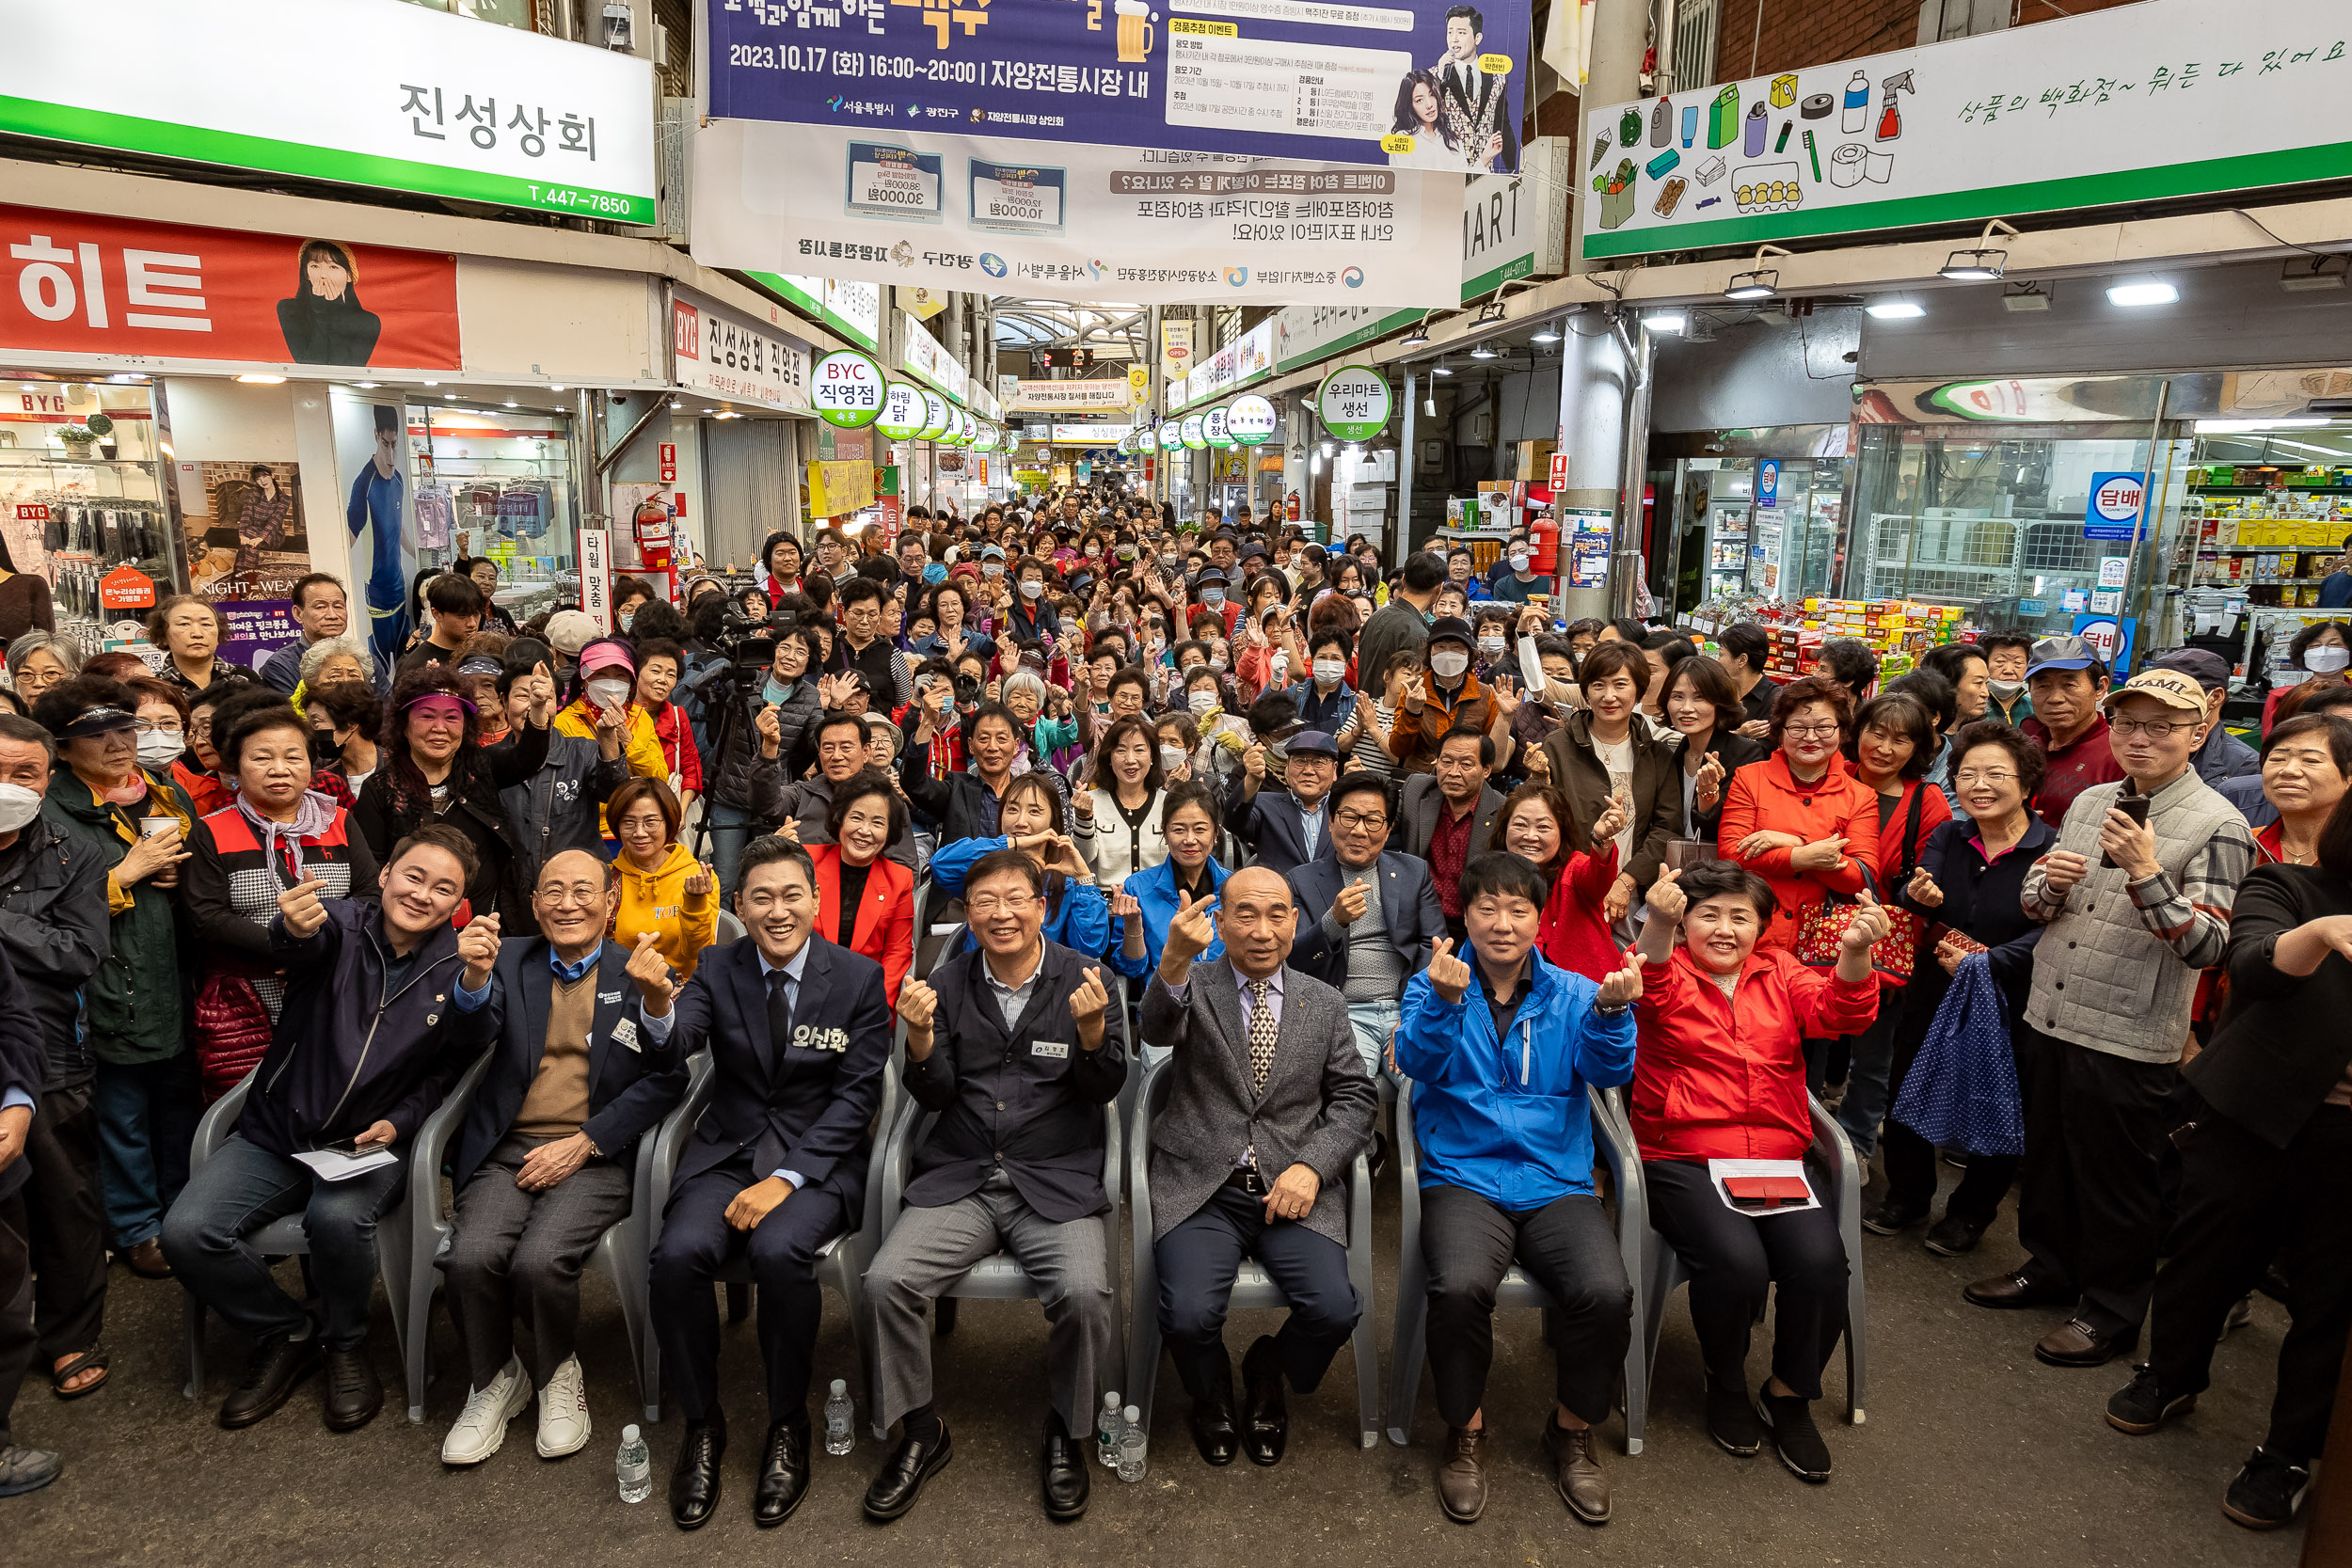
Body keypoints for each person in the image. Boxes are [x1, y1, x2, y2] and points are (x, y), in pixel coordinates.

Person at [1967, 668, 2256, 1370]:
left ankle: (2113, 1310)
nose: (2140, 738)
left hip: (2130, 1030)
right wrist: (2046, 884)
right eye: (2128, 723)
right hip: (2054, 1008)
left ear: (2199, 731)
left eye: (2162, 726)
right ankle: (2049, 1267)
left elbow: (2209, 944)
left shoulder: (2221, 823)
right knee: (2050, 1158)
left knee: (2118, 1179)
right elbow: (2038, 902)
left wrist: (2148, 872)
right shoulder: (2094, 798)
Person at [161, 825, 486, 1431]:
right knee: (186, 1232)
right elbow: (298, 946)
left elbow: (455, 1067)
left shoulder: (458, 963)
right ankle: (288, 1332)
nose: (423, 895)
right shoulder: (336, 925)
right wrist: (291, 925)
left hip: (367, 1146)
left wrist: (402, 1120)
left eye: (444, 889)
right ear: (385, 875)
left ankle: (345, 1342)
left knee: (336, 1220)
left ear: (458, 904)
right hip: (277, 1131)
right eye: (413, 876)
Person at [2105, 769, 2352, 1531]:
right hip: (2249, 1113)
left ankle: (2287, 1453)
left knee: (2330, 1303)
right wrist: (2318, 934)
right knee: (2203, 1255)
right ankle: (2172, 1373)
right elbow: (2247, 968)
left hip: (2347, 1144)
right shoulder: (2289, 885)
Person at [861, 849, 1124, 1524]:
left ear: (1043, 907)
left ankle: (1067, 1430)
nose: (1000, 913)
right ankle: (921, 1431)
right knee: (886, 1281)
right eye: (984, 901)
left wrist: (1093, 1033)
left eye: (1016, 899)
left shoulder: (1088, 977)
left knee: (1086, 1291)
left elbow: (1105, 1088)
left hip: (1054, 1175)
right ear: (966, 913)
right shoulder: (944, 983)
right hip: (964, 1174)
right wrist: (918, 1039)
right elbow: (935, 1092)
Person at [644, 837, 891, 1531]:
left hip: (818, 1157)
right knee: (675, 1256)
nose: (777, 911)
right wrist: (658, 1003)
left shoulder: (857, 978)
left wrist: (787, 1177)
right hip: (727, 1149)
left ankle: (788, 1422)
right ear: (739, 905)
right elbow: (678, 1041)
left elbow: (855, 1098)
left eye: (791, 895)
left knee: (781, 1253)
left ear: (815, 900)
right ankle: (703, 1423)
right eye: (761, 897)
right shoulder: (717, 966)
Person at [1395, 852, 1641, 1524]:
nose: (1502, 924)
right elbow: (1413, 1063)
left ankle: (1570, 1428)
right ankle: (1465, 1429)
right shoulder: (1434, 983)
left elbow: (1605, 1070)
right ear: (1464, 915)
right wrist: (1445, 1003)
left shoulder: (1574, 990)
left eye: (1519, 909)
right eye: (1486, 909)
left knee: (1606, 1291)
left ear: (1541, 917)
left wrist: (1615, 1015)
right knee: (1458, 1287)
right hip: (1463, 1175)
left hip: (1554, 1178)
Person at [1631, 860, 1884, 1481]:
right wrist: (1659, 921)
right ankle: (1725, 1381)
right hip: (1683, 1152)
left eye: (1740, 916)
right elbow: (1649, 979)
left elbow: (1840, 1014)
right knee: (1737, 1262)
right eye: (1708, 914)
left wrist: (1853, 954)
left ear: (1762, 927)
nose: (1724, 928)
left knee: (1823, 1265)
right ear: (1685, 920)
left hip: (1774, 1157)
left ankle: (1788, 1391)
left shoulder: (1782, 972)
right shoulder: (1671, 968)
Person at [437, 850, 688, 1466]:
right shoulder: (507, 958)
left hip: (595, 1154)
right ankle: (495, 1377)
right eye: (553, 890)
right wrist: (471, 980)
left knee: (541, 1260)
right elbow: (465, 1040)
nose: (567, 902)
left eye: (584, 890)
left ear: (611, 902)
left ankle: (555, 1373)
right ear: (535, 900)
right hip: (509, 1151)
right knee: (468, 1256)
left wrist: (587, 1140)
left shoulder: (639, 968)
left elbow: (668, 1076)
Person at [1139, 868, 1376, 1469]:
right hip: (1203, 1181)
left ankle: (1266, 1366)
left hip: (1292, 1186)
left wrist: (1313, 1167)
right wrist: (1171, 961)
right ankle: (1209, 1383)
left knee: (1334, 1308)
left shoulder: (1323, 1002)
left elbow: (1355, 1099)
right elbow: (1155, 1029)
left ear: (1296, 921)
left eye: (1277, 915)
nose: (1263, 931)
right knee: (1189, 1317)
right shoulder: (1196, 984)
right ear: (1221, 924)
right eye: (1246, 914)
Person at [1863, 721, 2051, 1254]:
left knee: (1998, 1096)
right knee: (1908, 1081)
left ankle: (1971, 1213)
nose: (1978, 785)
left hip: (2008, 992)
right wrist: (1917, 892)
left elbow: (2056, 927)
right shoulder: (1951, 834)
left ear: (2027, 781)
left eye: (1995, 773)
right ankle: (1907, 1194)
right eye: (1967, 773)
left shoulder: (2050, 847)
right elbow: (1914, 890)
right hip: (1934, 982)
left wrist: (1992, 961)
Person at [33, 679, 198, 1283]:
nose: (118, 745)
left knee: (179, 1104)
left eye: (124, 730)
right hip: (103, 980)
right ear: (63, 747)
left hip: (171, 972)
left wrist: (179, 880)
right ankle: (136, 1227)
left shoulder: (162, 792)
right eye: (95, 736)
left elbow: (192, 876)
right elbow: (38, 911)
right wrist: (122, 875)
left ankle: (183, 1215)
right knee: (121, 1112)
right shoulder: (51, 809)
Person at [181, 700, 382, 1096]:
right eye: (262, 757)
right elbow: (206, 916)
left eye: (293, 756)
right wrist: (284, 944)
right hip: (246, 997)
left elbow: (370, 895)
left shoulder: (339, 821)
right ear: (236, 768)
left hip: (332, 984)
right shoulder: (211, 831)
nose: (279, 768)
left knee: (329, 1095)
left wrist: (320, 947)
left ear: (311, 765)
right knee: (247, 1103)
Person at [0, 715, 110, 1405]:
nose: (7, 786)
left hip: (48, 1046)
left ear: (47, 778)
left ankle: (70, 1334)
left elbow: (80, 952)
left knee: (63, 1195)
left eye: (23, 774)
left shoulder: (75, 851)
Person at [1830, 693, 1952, 1155]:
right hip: (1817, 929)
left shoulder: (1928, 801)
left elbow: (1926, 879)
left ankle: (1858, 1145)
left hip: (1885, 938)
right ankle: (1802, 1135)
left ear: (1920, 747)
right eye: (1875, 733)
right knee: (1811, 1042)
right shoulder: (1833, 777)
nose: (1883, 747)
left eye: (1900, 740)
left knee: (1873, 1053)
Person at [354, 664, 551, 933]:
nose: (440, 728)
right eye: (426, 716)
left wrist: (538, 711)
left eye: (452, 718)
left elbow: (526, 759)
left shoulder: (481, 767)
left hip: (489, 926)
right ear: (404, 724)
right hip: (415, 928)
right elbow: (372, 870)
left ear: (466, 726)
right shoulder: (380, 788)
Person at [1286, 772, 1448, 1075]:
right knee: (1351, 1089)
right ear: (1331, 821)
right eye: (1349, 817)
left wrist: (1412, 1014)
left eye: (1373, 821)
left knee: (1426, 1087)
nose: (1360, 831)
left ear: (1387, 831)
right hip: (1343, 1010)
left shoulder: (1414, 871)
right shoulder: (1301, 880)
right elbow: (1294, 958)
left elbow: (1432, 945)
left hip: (1405, 1007)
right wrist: (1334, 921)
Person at [1716, 676, 1880, 955]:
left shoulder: (1861, 797)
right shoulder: (1749, 779)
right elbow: (1733, 854)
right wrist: (1806, 857)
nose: (1811, 737)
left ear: (1841, 731)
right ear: (1780, 732)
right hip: (1752, 935)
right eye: (1798, 728)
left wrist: (1795, 844)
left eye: (1824, 727)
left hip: (1823, 942)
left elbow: (1861, 877)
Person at [1536, 641, 1686, 930]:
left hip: (1633, 890)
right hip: (1568, 886)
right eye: (1597, 685)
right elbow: (1543, 816)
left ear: (1638, 690)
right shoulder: (1558, 746)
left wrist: (1626, 881)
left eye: (1620, 685)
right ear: (1585, 690)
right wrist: (1537, 778)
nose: (1609, 696)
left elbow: (1667, 827)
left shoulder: (1657, 755)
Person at [927, 772, 1128, 974]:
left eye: (1034, 811)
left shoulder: (1066, 882)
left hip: (1050, 991)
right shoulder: (981, 867)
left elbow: (1090, 947)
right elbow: (941, 865)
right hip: (980, 984)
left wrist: (1084, 879)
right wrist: (1013, 844)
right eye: (1012, 810)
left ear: (1053, 820)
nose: (1020, 821)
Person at [795, 768, 915, 1008]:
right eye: (857, 818)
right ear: (839, 818)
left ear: (889, 830)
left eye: (877, 823)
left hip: (863, 995)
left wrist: (871, 1003)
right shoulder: (804, 861)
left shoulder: (899, 879)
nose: (865, 831)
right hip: (799, 990)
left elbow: (897, 952)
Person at [1396, 726, 1507, 940]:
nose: (1453, 772)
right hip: (1416, 920)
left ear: (1486, 770)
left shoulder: (1503, 811)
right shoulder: (1417, 790)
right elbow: (1382, 821)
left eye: (1466, 764)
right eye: (1446, 762)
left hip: (1471, 929)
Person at [608, 778, 720, 984]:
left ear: (670, 822)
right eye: (628, 823)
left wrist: (695, 903)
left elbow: (699, 954)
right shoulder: (607, 880)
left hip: (683, 987)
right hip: (623, 987)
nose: (640, 833)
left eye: (650, 822)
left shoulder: (697, 877)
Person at [2019, 635, 2123, 832]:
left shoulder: (2118, 754)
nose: (2055, 698)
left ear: (2100, 688)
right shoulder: (2025, 749)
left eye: (2069, 685)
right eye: (2042, 686)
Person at [1661, 656, 1766, 844]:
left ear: (1720, 701)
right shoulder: (1672, 753)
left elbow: (1733, 830)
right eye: (1677, 697)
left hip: (1717, 867)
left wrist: (1708, 796)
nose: (1686, 708)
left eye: (1699, 697)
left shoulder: (1746, 753)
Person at [1229, 728, 1339, 880]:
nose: (1308, 770)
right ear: (1287, 768)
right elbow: (1233, 821)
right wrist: (1252, 780)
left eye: (1318, 763)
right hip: (1279, 898)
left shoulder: (1346, 810)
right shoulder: (1264, 804)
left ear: (1334, 770)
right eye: (1300, 761)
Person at [1073, 716, 1169, 885]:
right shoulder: (1090, 802)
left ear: (1152, 756)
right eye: (1121, 750)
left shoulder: (1168, 803)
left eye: (1139, 750)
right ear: (1109, 757)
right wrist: (1083, 818)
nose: (1130, 760)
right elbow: (1082, 860)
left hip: (1158, 902)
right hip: (1104, 903)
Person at [275, 238, 382, 364]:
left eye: (333, 267)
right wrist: (320, 310)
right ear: (307, 273)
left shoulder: (368, 322)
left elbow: (345, 369)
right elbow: (310, 363)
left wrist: (335, 310)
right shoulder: (289, 309)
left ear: (348, 276)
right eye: (315, 266)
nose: (323, 275)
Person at [1357, 549, 1443, 698]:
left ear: (1403, 580)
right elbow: (1413, 693)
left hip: (1366, 708)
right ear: (1439, 588)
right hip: (1392, 717)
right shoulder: (1418, 634)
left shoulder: (1376, 616)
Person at [262, 576, 359, 694]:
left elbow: (383, 706)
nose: (332, 615)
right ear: (298, 613)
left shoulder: (364, 658)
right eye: (320, 607)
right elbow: (291, 711)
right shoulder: (281, 665)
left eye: (338, 606)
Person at [2263, 621, 2352, 734]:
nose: (2323, 652)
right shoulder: (2283, 697)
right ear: (2304, 654)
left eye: (2334, 644)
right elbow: (2270, 741)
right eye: (2315, 646)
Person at [149, 595, 245, 694]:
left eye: (206, 624)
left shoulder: (244, 678)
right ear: (163, 636)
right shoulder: (155, 689)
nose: (197, 634)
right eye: (184, 624)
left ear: (219, 633)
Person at [395, 576, 487, 677]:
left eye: (477, 614)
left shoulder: (484, 656)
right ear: (437, 614)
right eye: (462, 616)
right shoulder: (415, 667)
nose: (472, 623)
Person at [1385, 69, 1462, 169]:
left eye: (1432, 95)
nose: (1429, 105)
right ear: (1410, 105)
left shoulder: (1452, 140)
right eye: (1419, 100)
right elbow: (1402, 181)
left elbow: (1464, 180)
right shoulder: (1402, 139)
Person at [1718, 623, 1779, 735]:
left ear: (1742, 660)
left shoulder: (1776, 699)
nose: (1718, 661)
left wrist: (1734, 736)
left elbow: (1763, 747)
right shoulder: (1719, 692)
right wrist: (1738, 733)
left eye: (1721, 654)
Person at [6, 633, 79, 708]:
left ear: (73, 677)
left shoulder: (86, 718)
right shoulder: (6, 718)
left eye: (51, 673)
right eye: (26, 674)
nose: (38, 683)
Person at [1979, 630, 2036, 727]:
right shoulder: (1972, 708)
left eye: (2018, 663)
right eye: (2000, 661)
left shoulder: (2034, 708)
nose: (2009, 670)